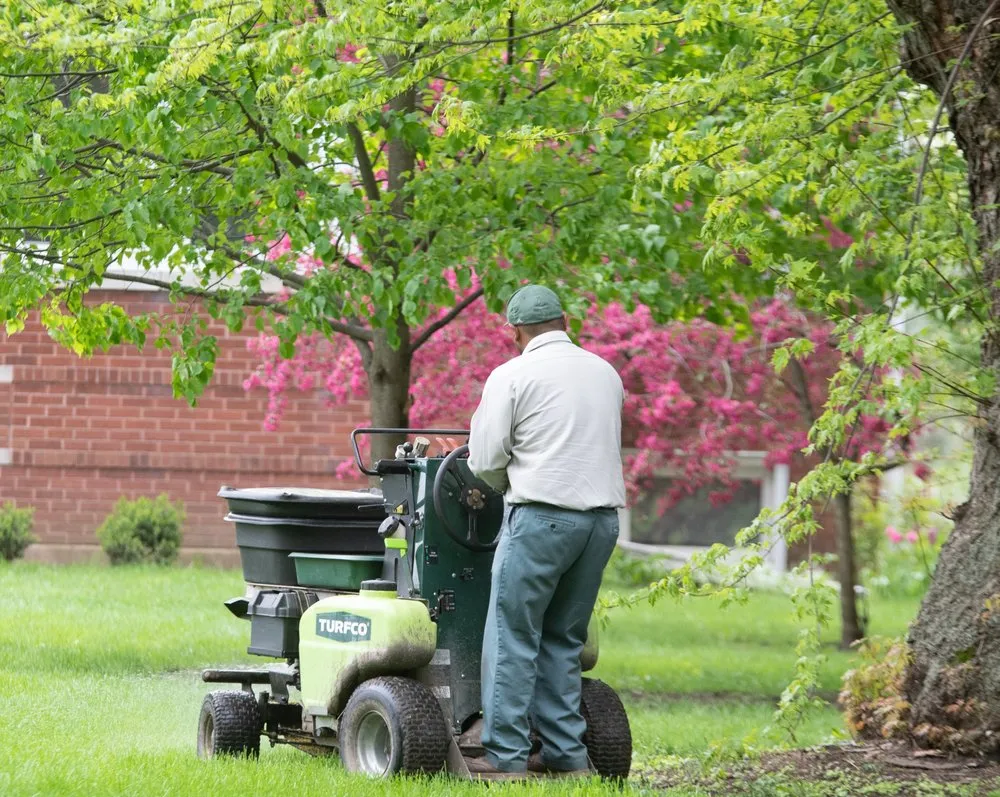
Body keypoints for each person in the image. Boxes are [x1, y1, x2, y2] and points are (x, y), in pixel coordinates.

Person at [464, 284, 626, 781]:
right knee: (564, 638)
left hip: (540, 518)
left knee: (513, 635)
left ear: (515, 332)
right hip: (601, 522)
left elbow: (486, 460)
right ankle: (567, 758)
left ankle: (506, 758)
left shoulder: (511, 375)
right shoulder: (606, 372)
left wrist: (496, 486)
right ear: (564, 319)